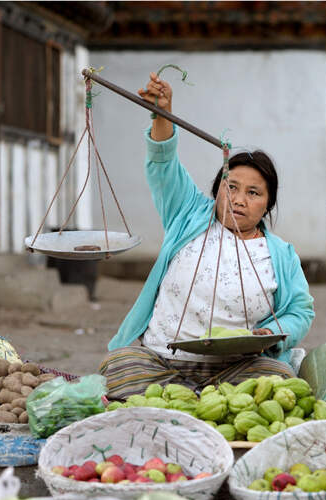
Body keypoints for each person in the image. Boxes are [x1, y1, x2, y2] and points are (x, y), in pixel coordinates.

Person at [98, 72, 314, 400]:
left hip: (234, 367)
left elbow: (300, 310)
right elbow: (164, 164)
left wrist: (272, 332)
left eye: (253, 192)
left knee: (277, 376)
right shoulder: (188, 214)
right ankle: (203, 399)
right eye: (231, 187)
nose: (240, 199)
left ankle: (185, 400)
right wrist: (162, 113)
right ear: (216, 191)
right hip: (161, 361)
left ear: (267, 204)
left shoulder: (280, 253)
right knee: (118, 367)